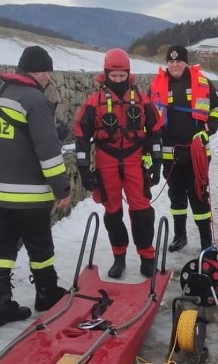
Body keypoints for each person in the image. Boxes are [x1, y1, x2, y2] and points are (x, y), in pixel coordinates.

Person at [0, 45, 72, 327]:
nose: (49, 80)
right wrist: (63, 189)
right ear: (41, 72)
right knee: (40, 247)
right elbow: (48, 153)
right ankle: (46, 294)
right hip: (28, 194)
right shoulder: (35, 101)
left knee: (4, 248)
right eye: (49, 74)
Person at [75, 48, 163, 279]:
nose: (117, 80)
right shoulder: (94, 103)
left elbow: (155, 133)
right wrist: (84, 169)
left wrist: (157, 162)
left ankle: (147, 257)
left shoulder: (143, 101)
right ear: (105, 75)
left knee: (142, 211)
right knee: (112, 213)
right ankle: (119, 257)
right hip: (107, 163)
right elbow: (81, 137)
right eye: (113, 77)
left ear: (128, 74)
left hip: (134, 161)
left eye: (121, 76)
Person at [149, 46, 218, 252]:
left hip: (196, 153)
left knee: (199, 197)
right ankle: (179, 236)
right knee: (176, 197)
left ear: (186, 62)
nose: (175, 65)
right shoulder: (156, 85)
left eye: (179, 61)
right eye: (171, 61)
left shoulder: (202, 82)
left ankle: (206, 242)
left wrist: (208, 130)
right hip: (169, 154)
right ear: (167, 63)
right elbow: (149, 117)